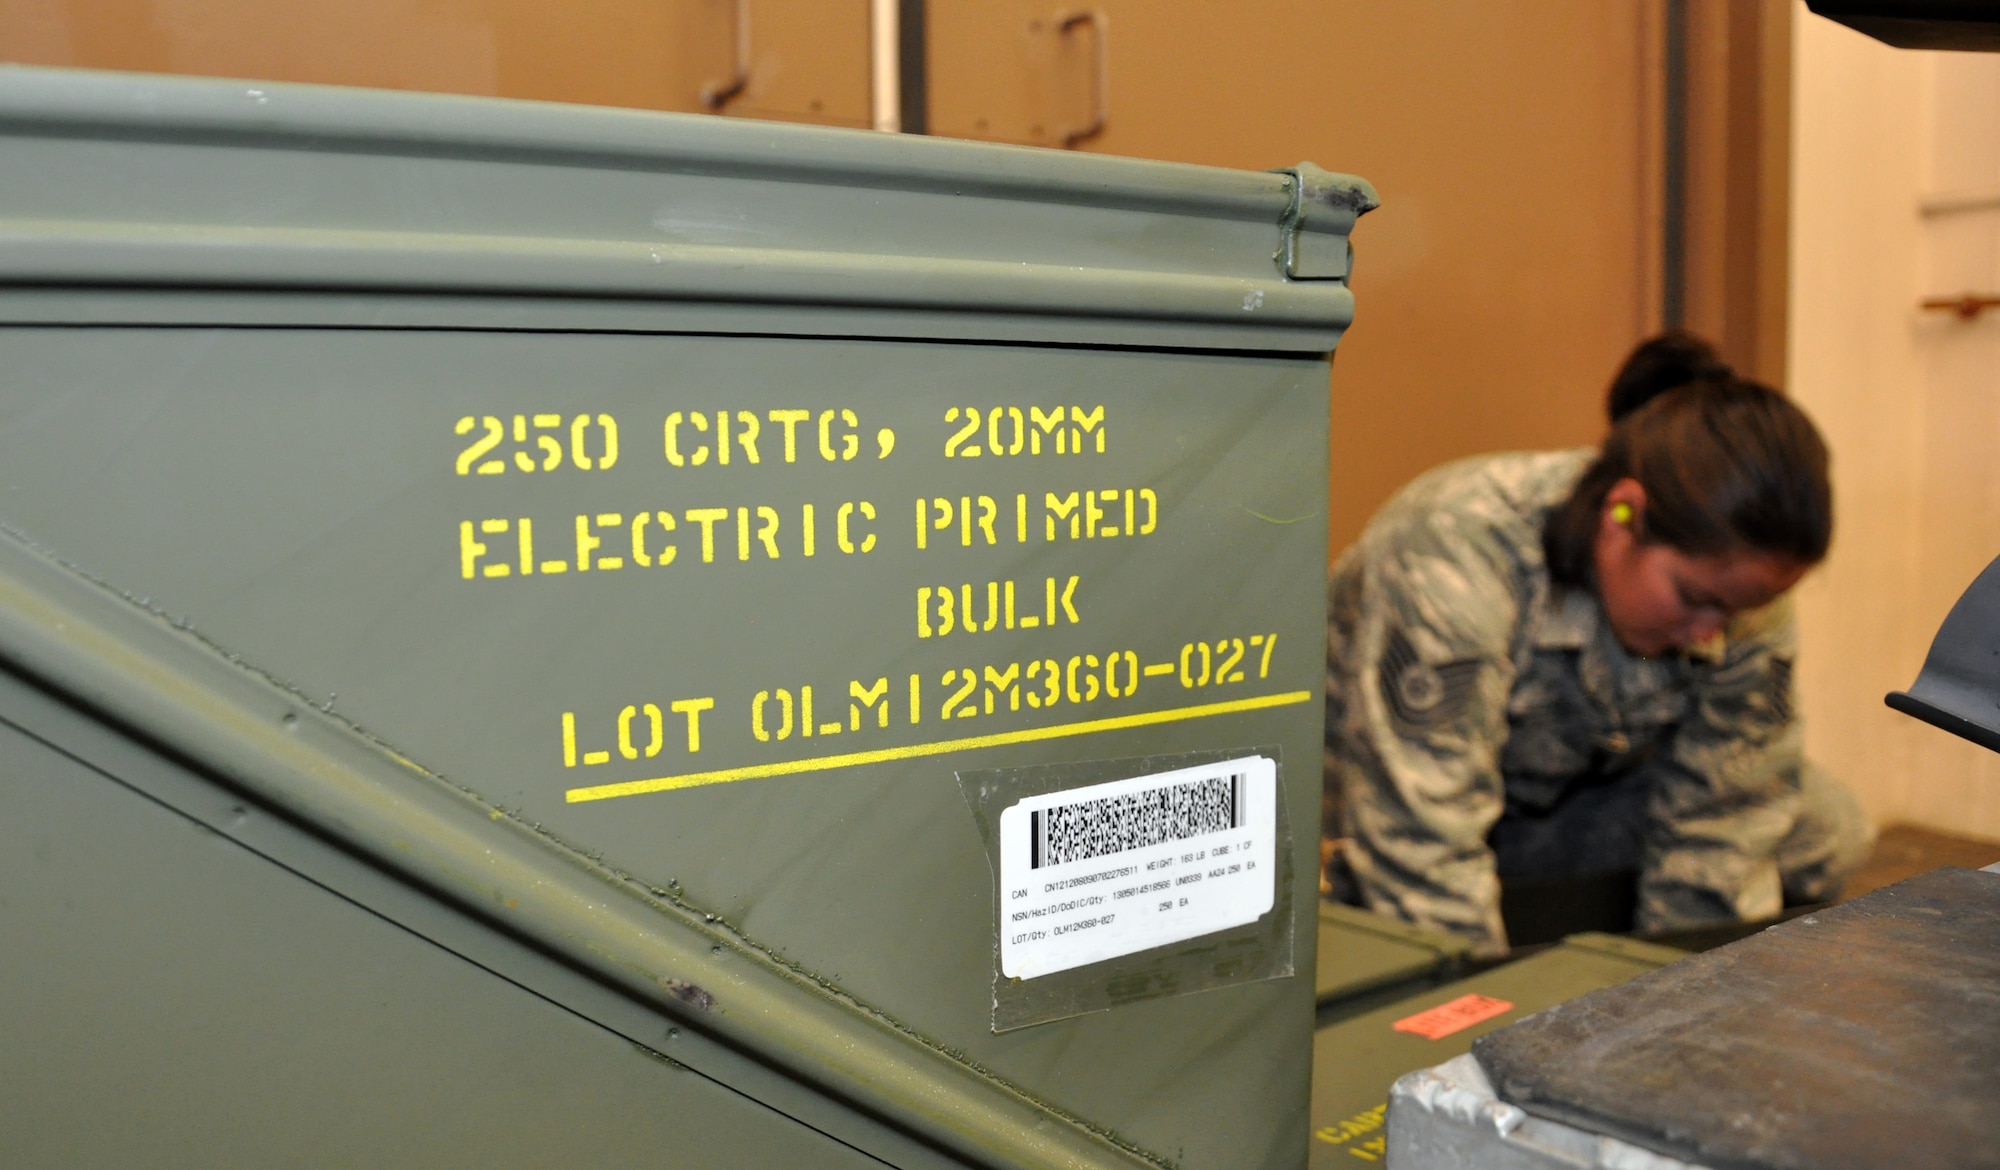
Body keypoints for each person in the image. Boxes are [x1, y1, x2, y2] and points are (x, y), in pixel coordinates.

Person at [1321, 332, 1873, 956]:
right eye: (1694, 599)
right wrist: (1471, 1015)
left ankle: (1565, 934)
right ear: (1622, 514)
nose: (1710, 633)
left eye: (1738, 609)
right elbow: (1421, 828)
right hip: (1388, 805)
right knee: (1410, 898)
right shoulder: (1455, 547)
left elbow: (1728, 810)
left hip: (1566, 799)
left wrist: (1681, 993)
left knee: (1825, 827)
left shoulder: (1734, 581)